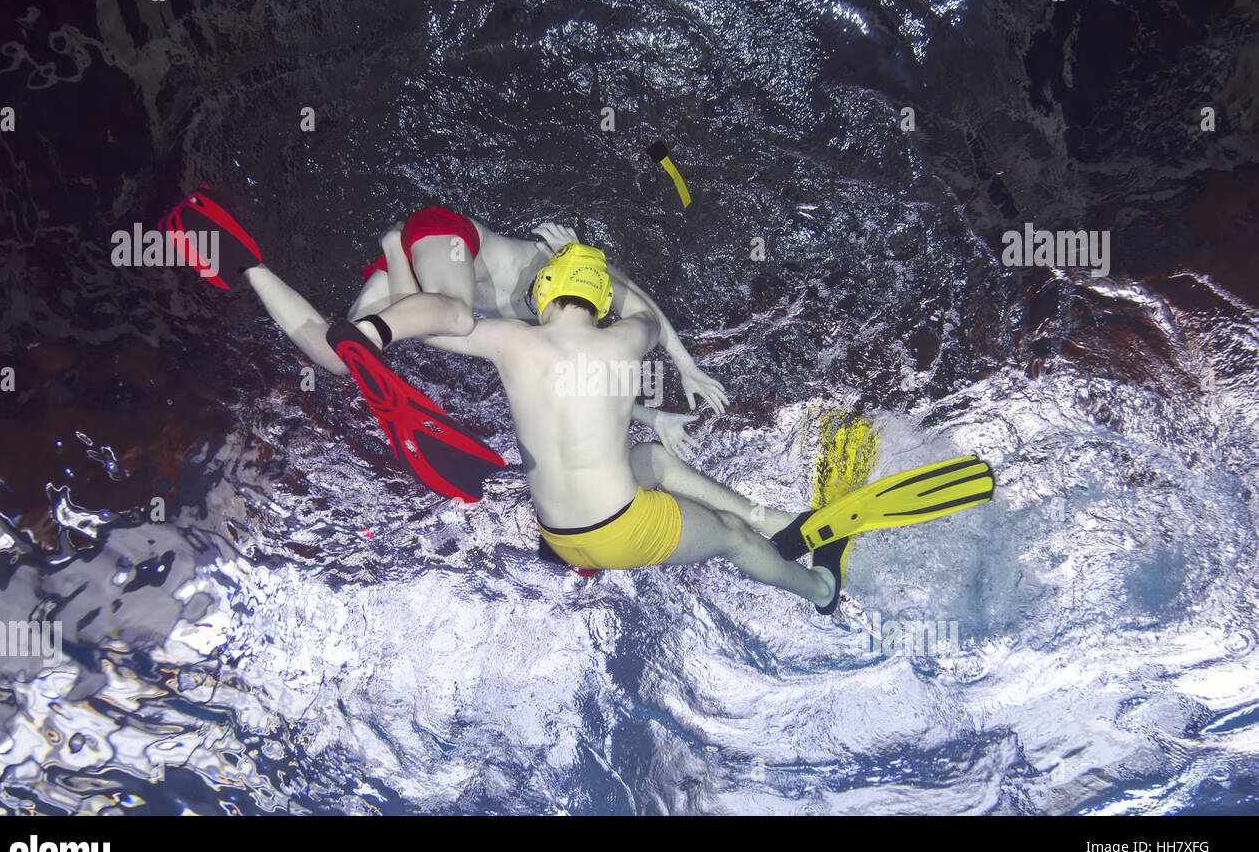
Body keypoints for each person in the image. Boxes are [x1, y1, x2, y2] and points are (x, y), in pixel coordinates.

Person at [406, 242, 995, 612]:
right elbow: (648, 318)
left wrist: (380, 317)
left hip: (561, 539)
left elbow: (437, 326)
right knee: (731, 540)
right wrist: (599, 260)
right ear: (602, 299)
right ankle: (821, 590)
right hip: (614, 531)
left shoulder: (513, 341)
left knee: (651, 461)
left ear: (542, 294)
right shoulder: (621, 339)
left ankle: (777, 521)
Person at [160, 187, 724, 500]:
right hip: (448, 241)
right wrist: (687, 366)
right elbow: (649, 310)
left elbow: (585, 384)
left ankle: (245, 262)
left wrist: (652, 420)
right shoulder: (585, 269)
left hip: (413, 282)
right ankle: (377, 321)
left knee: (336, 360)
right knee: (451, 316)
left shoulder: (573, 330)